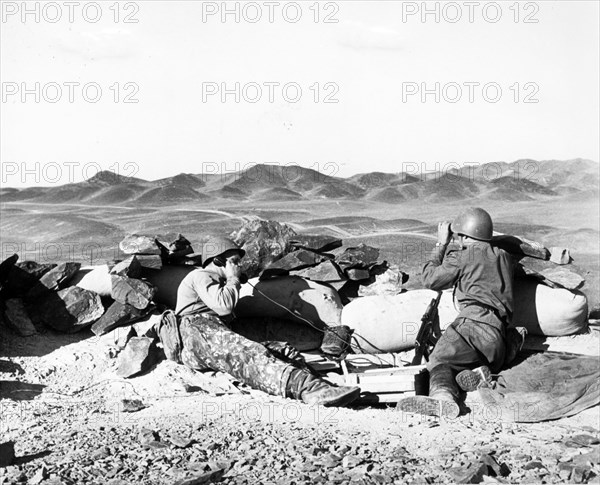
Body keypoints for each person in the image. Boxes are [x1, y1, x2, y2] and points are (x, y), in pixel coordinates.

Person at [165, 236, 360, 407]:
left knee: (279, 348)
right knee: (246, 352)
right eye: (234, 261)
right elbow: (223, 306)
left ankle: (319, 383)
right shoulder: (200, 276)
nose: (239, 266)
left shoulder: (220, 282)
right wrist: (233, 279)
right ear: (218, 260)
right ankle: (307, 390)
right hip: (195, 332)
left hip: (215, 329)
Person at [398, 207, 518, 419]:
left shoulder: (463, 256)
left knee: (438, 360)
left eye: (458, 236)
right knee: (458, 361)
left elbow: (430, 279)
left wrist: (441, 244)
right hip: (498, 339)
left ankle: (443, 399)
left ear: (464, 235)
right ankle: (476, 374)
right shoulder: (505, 256)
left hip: (473, 325)